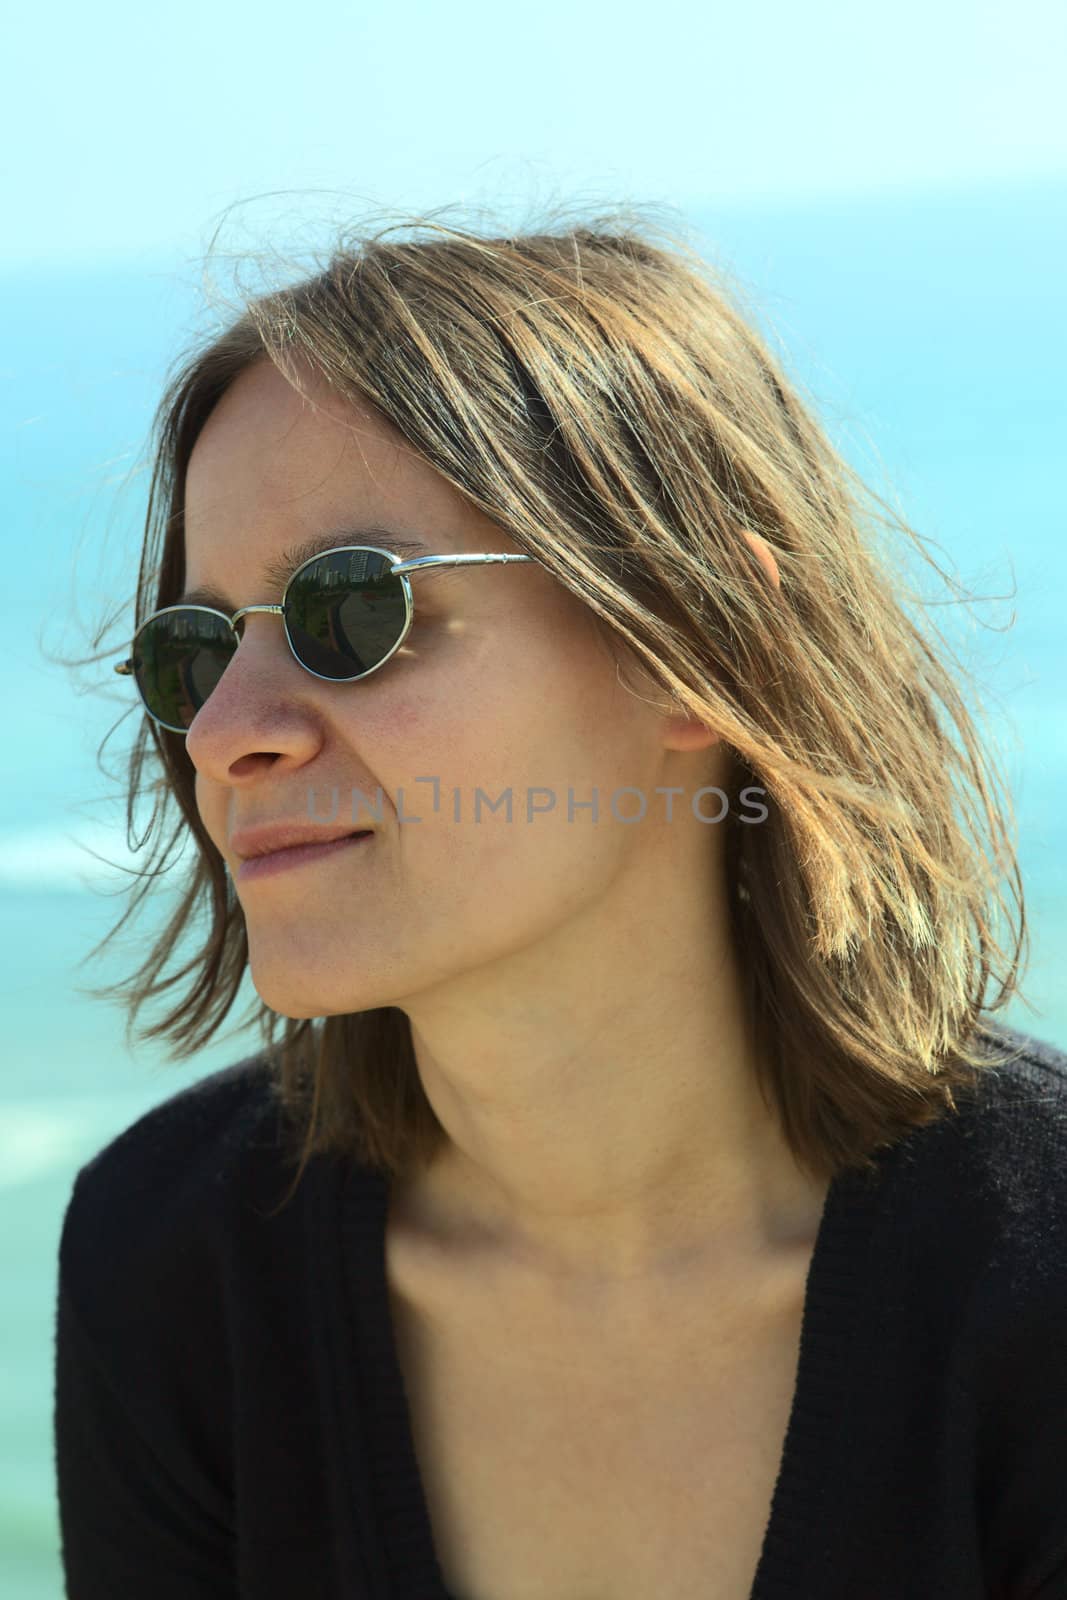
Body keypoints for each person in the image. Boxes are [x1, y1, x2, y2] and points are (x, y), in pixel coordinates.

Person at [54, 211, 1067, 1600]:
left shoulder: (1040, 1269)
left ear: (698, 638)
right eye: (197, 648)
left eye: (355, 614)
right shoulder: (175, 1268)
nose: (227, 730)